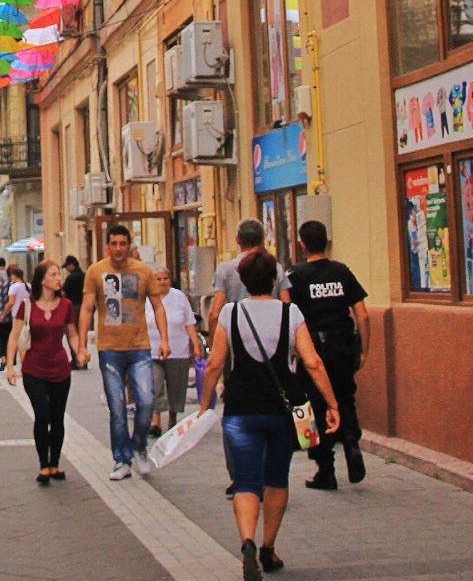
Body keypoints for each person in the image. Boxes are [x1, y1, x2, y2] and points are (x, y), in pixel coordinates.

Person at [200, 250, 341, 581]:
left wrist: (205, 402)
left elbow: (216, 363)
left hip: (240, 410)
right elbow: (313, 362)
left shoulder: (230, 314)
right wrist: (332, 404)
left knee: (246, 481)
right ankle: (267, 547)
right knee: (276, 479)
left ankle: (246, 541)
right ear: (276, 280)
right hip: (281, 412)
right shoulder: (290, 314)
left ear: (244, 281)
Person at [78, 224, 167, 481]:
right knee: (117, 407)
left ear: (129, 245)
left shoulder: (143, 271)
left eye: (122, 244)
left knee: (147, 400)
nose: (118, 249)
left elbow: (158, 306)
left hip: (139, 346)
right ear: (108, 246)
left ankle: (139, 446)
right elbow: (86, 309)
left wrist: (164, 339)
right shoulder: (96, 271)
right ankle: (121, 459)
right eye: (114, 244)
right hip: (110, 349)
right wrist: (82, 346)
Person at [287, 220, 370, 489]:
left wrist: (292, 353)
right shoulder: (342, 272)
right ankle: (351, 443)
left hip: (312, 349)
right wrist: (363, 349)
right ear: (326, 241)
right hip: (342, 346)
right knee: (345, 397)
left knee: (316, 405)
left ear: (302, 244)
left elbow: (289, 316)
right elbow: (363, 314)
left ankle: (326, 469)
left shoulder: (297, 276)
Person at [5, 261, 75, 484]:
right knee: (42, 414)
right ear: (42, 279)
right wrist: (10, 366)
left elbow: (71, 333)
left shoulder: (66, 305)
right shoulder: (27, 306)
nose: (58, 278)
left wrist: (80, 349)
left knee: (57, 417)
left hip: (60, 368)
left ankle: (54, 463)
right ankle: (43, 465)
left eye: (59, 274)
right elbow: (14, 335)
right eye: (54, 274)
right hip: (34, 368)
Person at [145, 267, 201, 436]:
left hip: (178, 350)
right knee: (154, 384)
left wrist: (196, 344)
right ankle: (155, 420)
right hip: (152, 350)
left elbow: (189, 322)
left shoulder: (179, 297)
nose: (162, 282)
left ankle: (172, 418)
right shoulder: (147, 299)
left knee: (176, 387)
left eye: (165, 278)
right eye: (158, 279)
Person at [206, 220, 267, 350]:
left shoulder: (225, 269)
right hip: (270, 337)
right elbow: (286, 302)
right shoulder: (275, 268)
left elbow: (216, 313)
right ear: (262, 239)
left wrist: (213, 343)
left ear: (237, 240)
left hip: (236, 339)